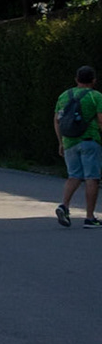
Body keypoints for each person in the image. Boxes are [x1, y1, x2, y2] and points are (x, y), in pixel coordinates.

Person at [53, 65, 102, 228]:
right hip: (89, 141)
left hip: (69, 141)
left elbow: (57, 120)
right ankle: (89, 217)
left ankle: (64, 205)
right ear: (94, 80)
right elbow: (101, 120)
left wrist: (61, 142)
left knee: (73, 176)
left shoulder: (64, 96)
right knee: (92, 178)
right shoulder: (96, 96)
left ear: (76, 79)